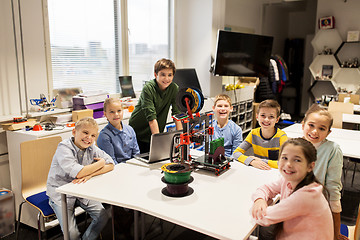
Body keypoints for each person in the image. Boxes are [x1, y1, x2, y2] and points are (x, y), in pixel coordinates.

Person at [251, 138, 333, 239]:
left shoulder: (306, 195)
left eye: (297, 160)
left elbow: (261, 218)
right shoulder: (288, 179)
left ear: (310, 167)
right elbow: (266, 188)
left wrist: (258, 207)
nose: (288, 164)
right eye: (284, 158)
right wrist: (259, 200)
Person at [47, 117, 114, 240]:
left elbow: (111, 164)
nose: (89, 138)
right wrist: (100, 163)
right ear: (74, 132)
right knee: (72, 234)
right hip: (60, 192)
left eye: (93, 135)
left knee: (103, 216)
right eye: (85, 133)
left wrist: (90, 174)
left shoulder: (91, 147)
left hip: (80, 189)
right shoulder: (64, 148)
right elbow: (79, 173)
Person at [302, 104, 348, 240]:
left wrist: (335, 233)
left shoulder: (332, 149)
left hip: (319, 208)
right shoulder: (295, 145)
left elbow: (333, 188)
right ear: (302, 125)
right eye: (311, 125)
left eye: (321, 128)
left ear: (328, 132)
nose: (315, 131)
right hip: (295, 206)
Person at [129, 58, 182, 153]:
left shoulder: (174, 88)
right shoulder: (148, 88)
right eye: (163, 75)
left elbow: (177, 114)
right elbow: (151, 117)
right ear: (155, 74)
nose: (166, 79)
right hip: (138, 133)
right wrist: (158, 143)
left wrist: (182, 139)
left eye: (170, 75)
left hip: (156, 132)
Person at [233, 99, 287, 169]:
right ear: (257, 117)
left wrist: (260, 161)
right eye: (263, 115)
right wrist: (252, 161)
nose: (266, 119)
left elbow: (285, 162)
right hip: (257, 170)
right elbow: (236, 153)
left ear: (277, 119)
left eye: (271, 116)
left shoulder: (281, 136)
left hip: (274, 172)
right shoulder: (253, 133)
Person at [97, 97, 140, 164]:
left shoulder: (130, 130)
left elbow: (136, 154)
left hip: (133, 166)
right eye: (112, 112)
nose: (116, 114)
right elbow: (111, 162)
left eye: (119, 111)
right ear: (105, 114)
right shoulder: (104, 136)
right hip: (117, 169)